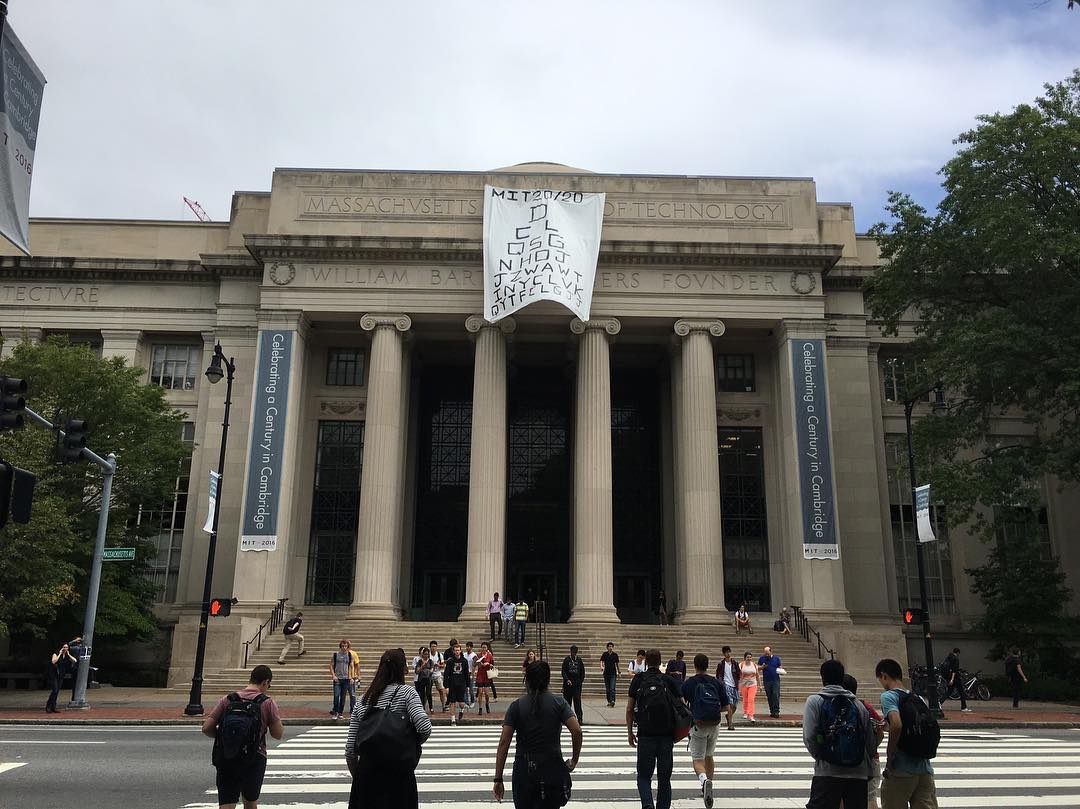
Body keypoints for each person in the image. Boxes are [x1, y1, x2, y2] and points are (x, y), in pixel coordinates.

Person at [345, 648, 431, 809]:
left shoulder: (363, 699)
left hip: (367, 776)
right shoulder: (407, 693)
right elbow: (424, 727)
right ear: (402, 669)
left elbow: (350, 749)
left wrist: (359, 776)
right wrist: (408, 742)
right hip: (399, 773)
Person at [493, 660, 582, 808]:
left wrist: (498, 779)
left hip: (524, 769)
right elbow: (577, 731)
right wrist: (574, 760)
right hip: (552, 766)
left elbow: (504, 743)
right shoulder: (559, 703)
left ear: (527, 680)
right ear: (548, 680)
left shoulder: (516, 706)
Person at [202, 664, 284, 809]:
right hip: (254, 756)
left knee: (226, 804)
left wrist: (225, 738)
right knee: (250, 802)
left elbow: (206, 728)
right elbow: (277, 734)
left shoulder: (228, 699)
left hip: (227, 755)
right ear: (265, 682)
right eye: (268, 685)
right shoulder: (267, 702)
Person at [802, 659, 875, 809]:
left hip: (827, 771)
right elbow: (869, 742)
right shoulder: (858, 705)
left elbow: (809, 737)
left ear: (823, 677)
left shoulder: (815, 701)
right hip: (858, 772)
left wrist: (822, 755)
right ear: (842, 678)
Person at [875, 658, 939, 809]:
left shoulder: (889, 696)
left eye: (880, 679)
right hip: (924, 769)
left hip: (901, 769)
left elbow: (897, 724)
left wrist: (890, 755)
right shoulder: (917, 697)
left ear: (884, 675)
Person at [627, 649, 682, 809]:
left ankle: (647, 804)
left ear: (646, 661)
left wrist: (630, 732)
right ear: (659, 662)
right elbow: (681, 706)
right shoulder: (668, 680)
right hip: (666, 735)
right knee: (664, 779)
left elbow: (629, 708)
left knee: (644, 776)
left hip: (645, 734)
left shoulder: (638, 679)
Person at [682, 653, 729, 809]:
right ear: (708, 665)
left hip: (698, 725)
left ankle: (704, 781)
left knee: (697, 760)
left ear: (694, 665)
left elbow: (681, 703)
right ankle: (710, 784)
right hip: (714, 725)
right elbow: (726, 707)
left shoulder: (689, 684)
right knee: (709, 755)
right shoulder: (717, 683)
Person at [845, 673, 886, 809]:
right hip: (869, 760)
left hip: (842, 761)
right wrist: (871, 749)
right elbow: (882, 728)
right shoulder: (865, 706)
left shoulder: (833, 707)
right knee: (870, 798)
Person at [46, 643, 78, 713]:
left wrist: (69, 654)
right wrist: (60, 654)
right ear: (61, 647)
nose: (65, 649)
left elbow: (75, 660)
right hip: (54, 675)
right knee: (55, 690)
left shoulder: (67, 656)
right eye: (64, 647)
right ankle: (48, 706)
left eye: (66, 647)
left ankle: (53, 707)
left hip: (61, 675)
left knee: (57, 692)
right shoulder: (56, 654)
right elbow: (53, 661)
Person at [444, 642, 471, 725]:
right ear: (453, 651)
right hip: (452, 684)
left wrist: (468, 685)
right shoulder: (450, 661)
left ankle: (461, 710)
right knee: (452, 702)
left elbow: (467, 674)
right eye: (455, 650)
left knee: (461, 703)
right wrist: (446, 686)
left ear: (460, 651)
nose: (457, 652)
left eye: (458, 650)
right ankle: (453, 720)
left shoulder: (464, 661)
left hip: (461, 684)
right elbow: (446, 674)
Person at [329, 639, 355, 720]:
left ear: (348, 647)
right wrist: (333, 675)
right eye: (343, 646)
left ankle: (340, 713)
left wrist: (352, 677)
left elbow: (352, 667)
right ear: (340, 646)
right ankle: (335, 712)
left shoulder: (350, 655)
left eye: (346, 646)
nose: (344, 648)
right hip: (338, 679)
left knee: (343, 697)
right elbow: (331, 665)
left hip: (346, 679)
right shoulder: (336, 655)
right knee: (336, 696)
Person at [715, 646, 740, 731]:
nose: (728, 654)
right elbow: (718, 675)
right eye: (726, 652)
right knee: (730, 705)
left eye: (729, 652)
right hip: (726, 685)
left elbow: (738, 673)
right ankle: (730, 724)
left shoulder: (735, 663)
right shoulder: (721, 664)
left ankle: (728, 716)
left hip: (734, 685)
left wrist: (738, 680)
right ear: (723, 654)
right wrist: (721, 683)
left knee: (735, 705)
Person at [561, 644, 586, 724]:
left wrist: (580, 681)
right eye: (573, 652)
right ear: (570, 652)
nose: (574, 653)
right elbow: (563, 671)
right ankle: (566, 718)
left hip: (577, 685)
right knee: (567, 702)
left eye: (575, 652)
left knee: (577, 702)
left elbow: (582, 671)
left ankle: (580, 718)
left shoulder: (579, 660)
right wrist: (567, 680)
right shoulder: (567, 660)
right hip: (568, 684)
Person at [941, 648, 970, 712]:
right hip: (956, 678)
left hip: (948, 676)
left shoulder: (948, 658)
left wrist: (950, 679)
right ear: (958, 653)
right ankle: (964, 707)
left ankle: (940, 702)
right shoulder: (955, 659)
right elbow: (954, 670)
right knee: (962, 692)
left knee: (949, 691)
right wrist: (952, 679)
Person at [759, 645, 782, 718]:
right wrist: (763, 667)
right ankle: (772, 711)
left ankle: (776, 711)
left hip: (775, 680)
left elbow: (780, 667)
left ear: (771, 652)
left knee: (775, 695)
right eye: (765, 653)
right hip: (766, 680)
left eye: (767, 653)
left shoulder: (776, 659)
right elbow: (758, 668)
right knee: (769, 696)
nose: (766, 655)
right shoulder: (762, 658)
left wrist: (781, 671)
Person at [739, 651, 760, 723]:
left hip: (753, 684)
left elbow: (757, 675)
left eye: (750, 657)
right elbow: (739, 676)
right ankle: (745, 712)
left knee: (751, 699)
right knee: (745, 699)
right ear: (745, 658)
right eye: (747, 657)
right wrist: (738, 685)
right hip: (744, 684)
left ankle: (751, 715)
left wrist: (760, 685)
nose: (749, 658)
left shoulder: (754, 665)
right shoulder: (741, 665)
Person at [476, 641, 495, 715]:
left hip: (487, 675)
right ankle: (480, 708)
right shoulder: (478, 655)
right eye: (482, 647)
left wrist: (488, 664)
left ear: (487, 648)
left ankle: (487, 704)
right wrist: (480, 664)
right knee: (480, 692)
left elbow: (493, 665)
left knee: (487, 693)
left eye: (485, 647)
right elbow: (475, 664)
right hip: (480, 675)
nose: (484, 649)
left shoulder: (490, 655)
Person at [428, 640, 448, 712]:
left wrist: (438, 665)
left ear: (437, 647)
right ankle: (424, 706)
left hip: (437, 674)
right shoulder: (428, 655)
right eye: (432, 646)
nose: (433, 648)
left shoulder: (439, 655)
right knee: (427, 692)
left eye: (435, 646)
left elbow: (443, 665)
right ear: (430, 647)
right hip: (429, 675)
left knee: (442, 691)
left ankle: (444, 706)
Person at [414, 647, 435, 713]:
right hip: (421, 679)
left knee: (428, 693)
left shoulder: (430, 661)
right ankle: (422, 707)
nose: (426, 655)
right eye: (425, 654)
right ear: (422, 654)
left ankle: (431, 707)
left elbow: (432, 670)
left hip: (428, 679)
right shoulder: (420, 661)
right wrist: (422, 666)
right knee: (422, 693)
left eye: (427, 654)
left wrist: (427, 671)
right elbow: (417, 671)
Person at [601, 642, 621, 707]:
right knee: (608, 689)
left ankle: (612, 701)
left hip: (613, 674)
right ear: (607, 647)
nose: (610, 647)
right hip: (606, 673)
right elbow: (601, 661)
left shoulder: (615, 655)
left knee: (612, 688)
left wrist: (619, 672)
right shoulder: (605, 654)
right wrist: (601, 666)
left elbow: (617, 664)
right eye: (609, 646)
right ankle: (609, 701)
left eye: (611, 646)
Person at [67, 635, 85, 702]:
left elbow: (67, 646)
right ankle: (75, 698)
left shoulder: (82, 647)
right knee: (76, 683)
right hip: (76, 667)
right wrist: (75, 640)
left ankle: (76, 698)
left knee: (77, 683)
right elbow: (67, 646)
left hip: (80, 667)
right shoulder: (75, 648)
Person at [465, 641, 479, 708]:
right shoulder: (464, 654)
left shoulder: (474, 655)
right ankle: (466, 702)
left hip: (471, 673)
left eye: (469, 646)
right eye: (467, 646)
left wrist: (473, 673)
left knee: (471, 689)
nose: (467, 648)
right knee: (465, 689)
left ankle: (472, 701)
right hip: (465, 673)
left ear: (471, 647)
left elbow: (475, 665)